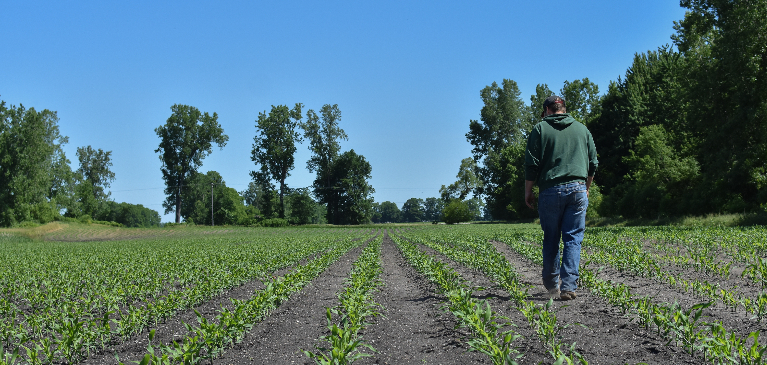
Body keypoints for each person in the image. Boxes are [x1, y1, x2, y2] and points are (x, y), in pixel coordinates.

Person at [524, 95, 597, 301]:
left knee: (552, 238)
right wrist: (587, 187)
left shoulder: (540, 129)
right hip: (578, 189)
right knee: (573, 238)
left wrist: (528, 191)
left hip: (550, 189)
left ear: (547, 110)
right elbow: (593, 163)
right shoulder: (582, 129)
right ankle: (569, 287)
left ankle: (550, 284)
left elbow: (532, 164)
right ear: (563, 109)